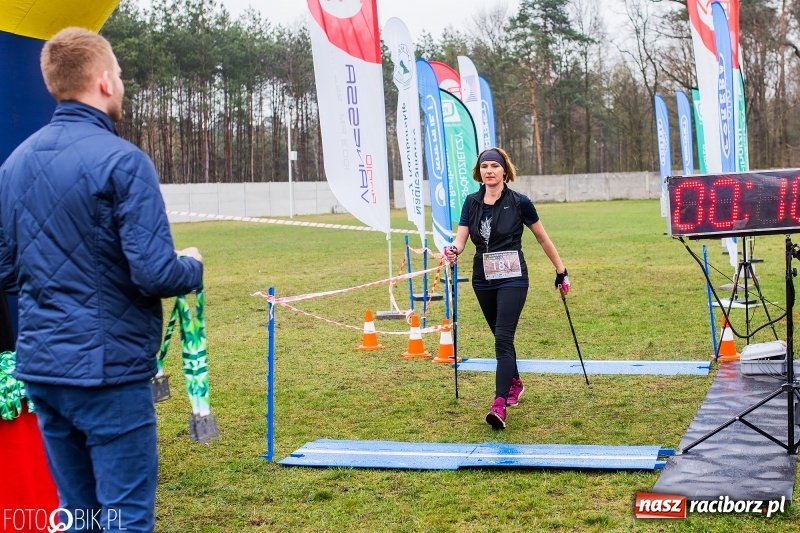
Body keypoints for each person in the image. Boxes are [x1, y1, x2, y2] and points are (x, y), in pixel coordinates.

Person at [0, 27, 203, 532]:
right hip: (107, 376)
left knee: (80, 514)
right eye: (120, 74)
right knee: (125, 516)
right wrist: (193, 265)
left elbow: (6, 272)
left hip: (44, 372)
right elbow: (155, 272)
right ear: (105, 81)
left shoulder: (13, 165)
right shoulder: (124, 161)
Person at [444, 147, 569, 430]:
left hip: (513, 278)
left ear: (504, 171)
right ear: (479, 171)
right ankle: (515, 381)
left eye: (494, 166)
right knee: (501, 337)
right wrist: (453, 250)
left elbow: (542, 238)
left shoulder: (520, 202)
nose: (489, 171)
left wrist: (561, 271)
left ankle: (499, 404)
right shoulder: (471, 202)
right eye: (484, 166)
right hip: (482, 279)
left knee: (502, 338)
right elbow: (461, 240)